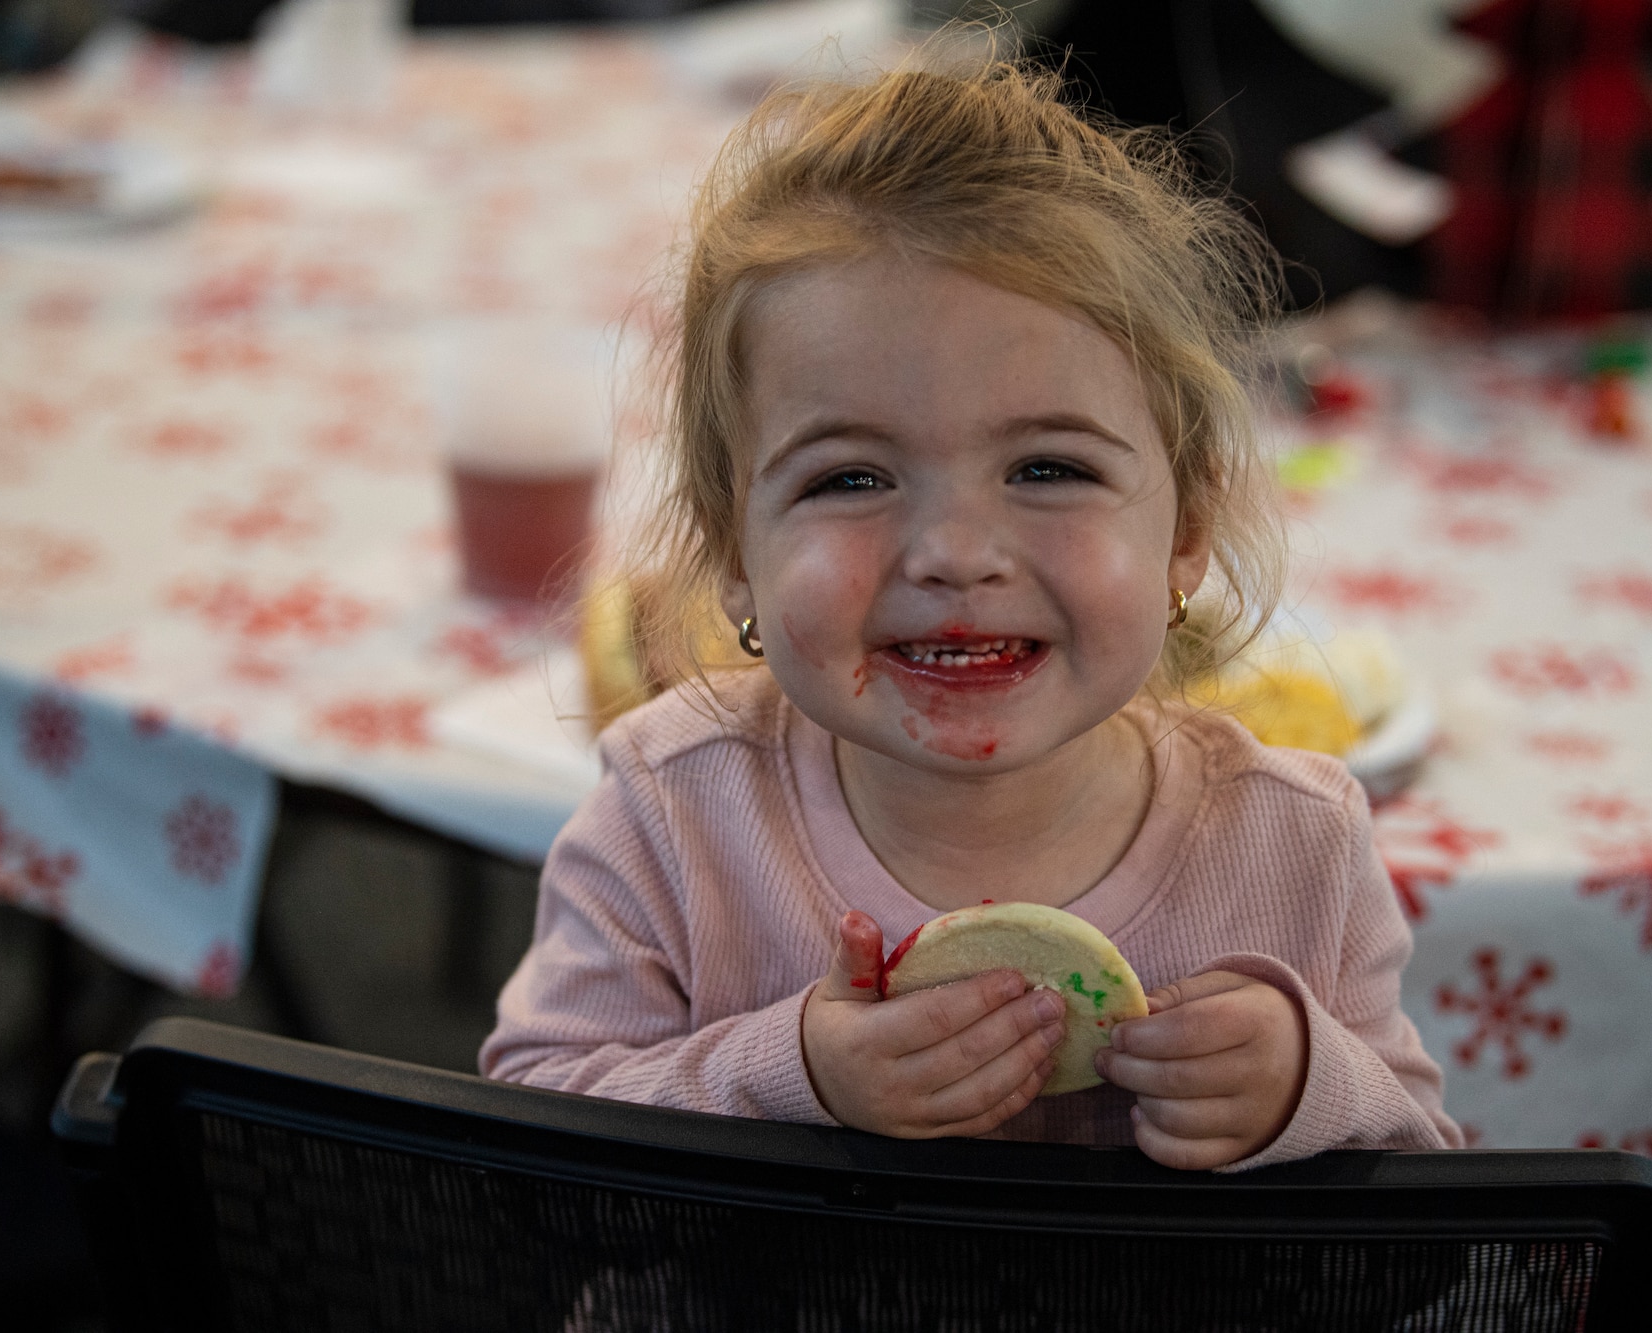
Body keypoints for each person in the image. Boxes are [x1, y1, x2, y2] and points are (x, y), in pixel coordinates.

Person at [480, 47, 1461, 1171]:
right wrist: (789, 1076)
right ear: (732, 552)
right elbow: (526, 1177)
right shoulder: (671, 815)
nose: (953, 554)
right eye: (848, 478)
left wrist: (1305, 1087)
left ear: (1185, 528)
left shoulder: (1294, 842)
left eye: (1047, 467)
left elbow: (1430, 1208)